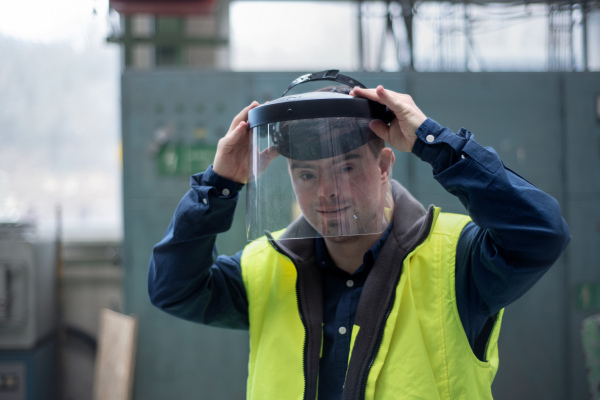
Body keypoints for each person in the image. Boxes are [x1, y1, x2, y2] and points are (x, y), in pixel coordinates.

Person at [148, 81, 570, 400]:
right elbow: (172, 288)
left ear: (385, 164)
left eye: (347, 168)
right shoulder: (265, 266)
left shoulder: (458, 259)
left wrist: (435, 143)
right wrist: (219, 185)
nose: (327, 191)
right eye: (307, 175)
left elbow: (541, 233)